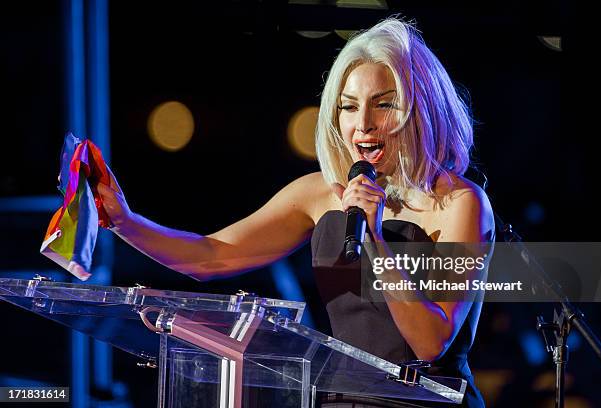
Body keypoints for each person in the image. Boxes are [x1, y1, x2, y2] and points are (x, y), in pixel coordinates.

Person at [98, 17, 494, 407]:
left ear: (420, 109)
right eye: (349, 107)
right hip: (342, 400)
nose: (363, 124)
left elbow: (430, 343)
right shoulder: (317, 194)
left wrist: (373, 237)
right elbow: (211, 256)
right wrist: (123, 221)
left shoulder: (459, 203)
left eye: (384, 104)